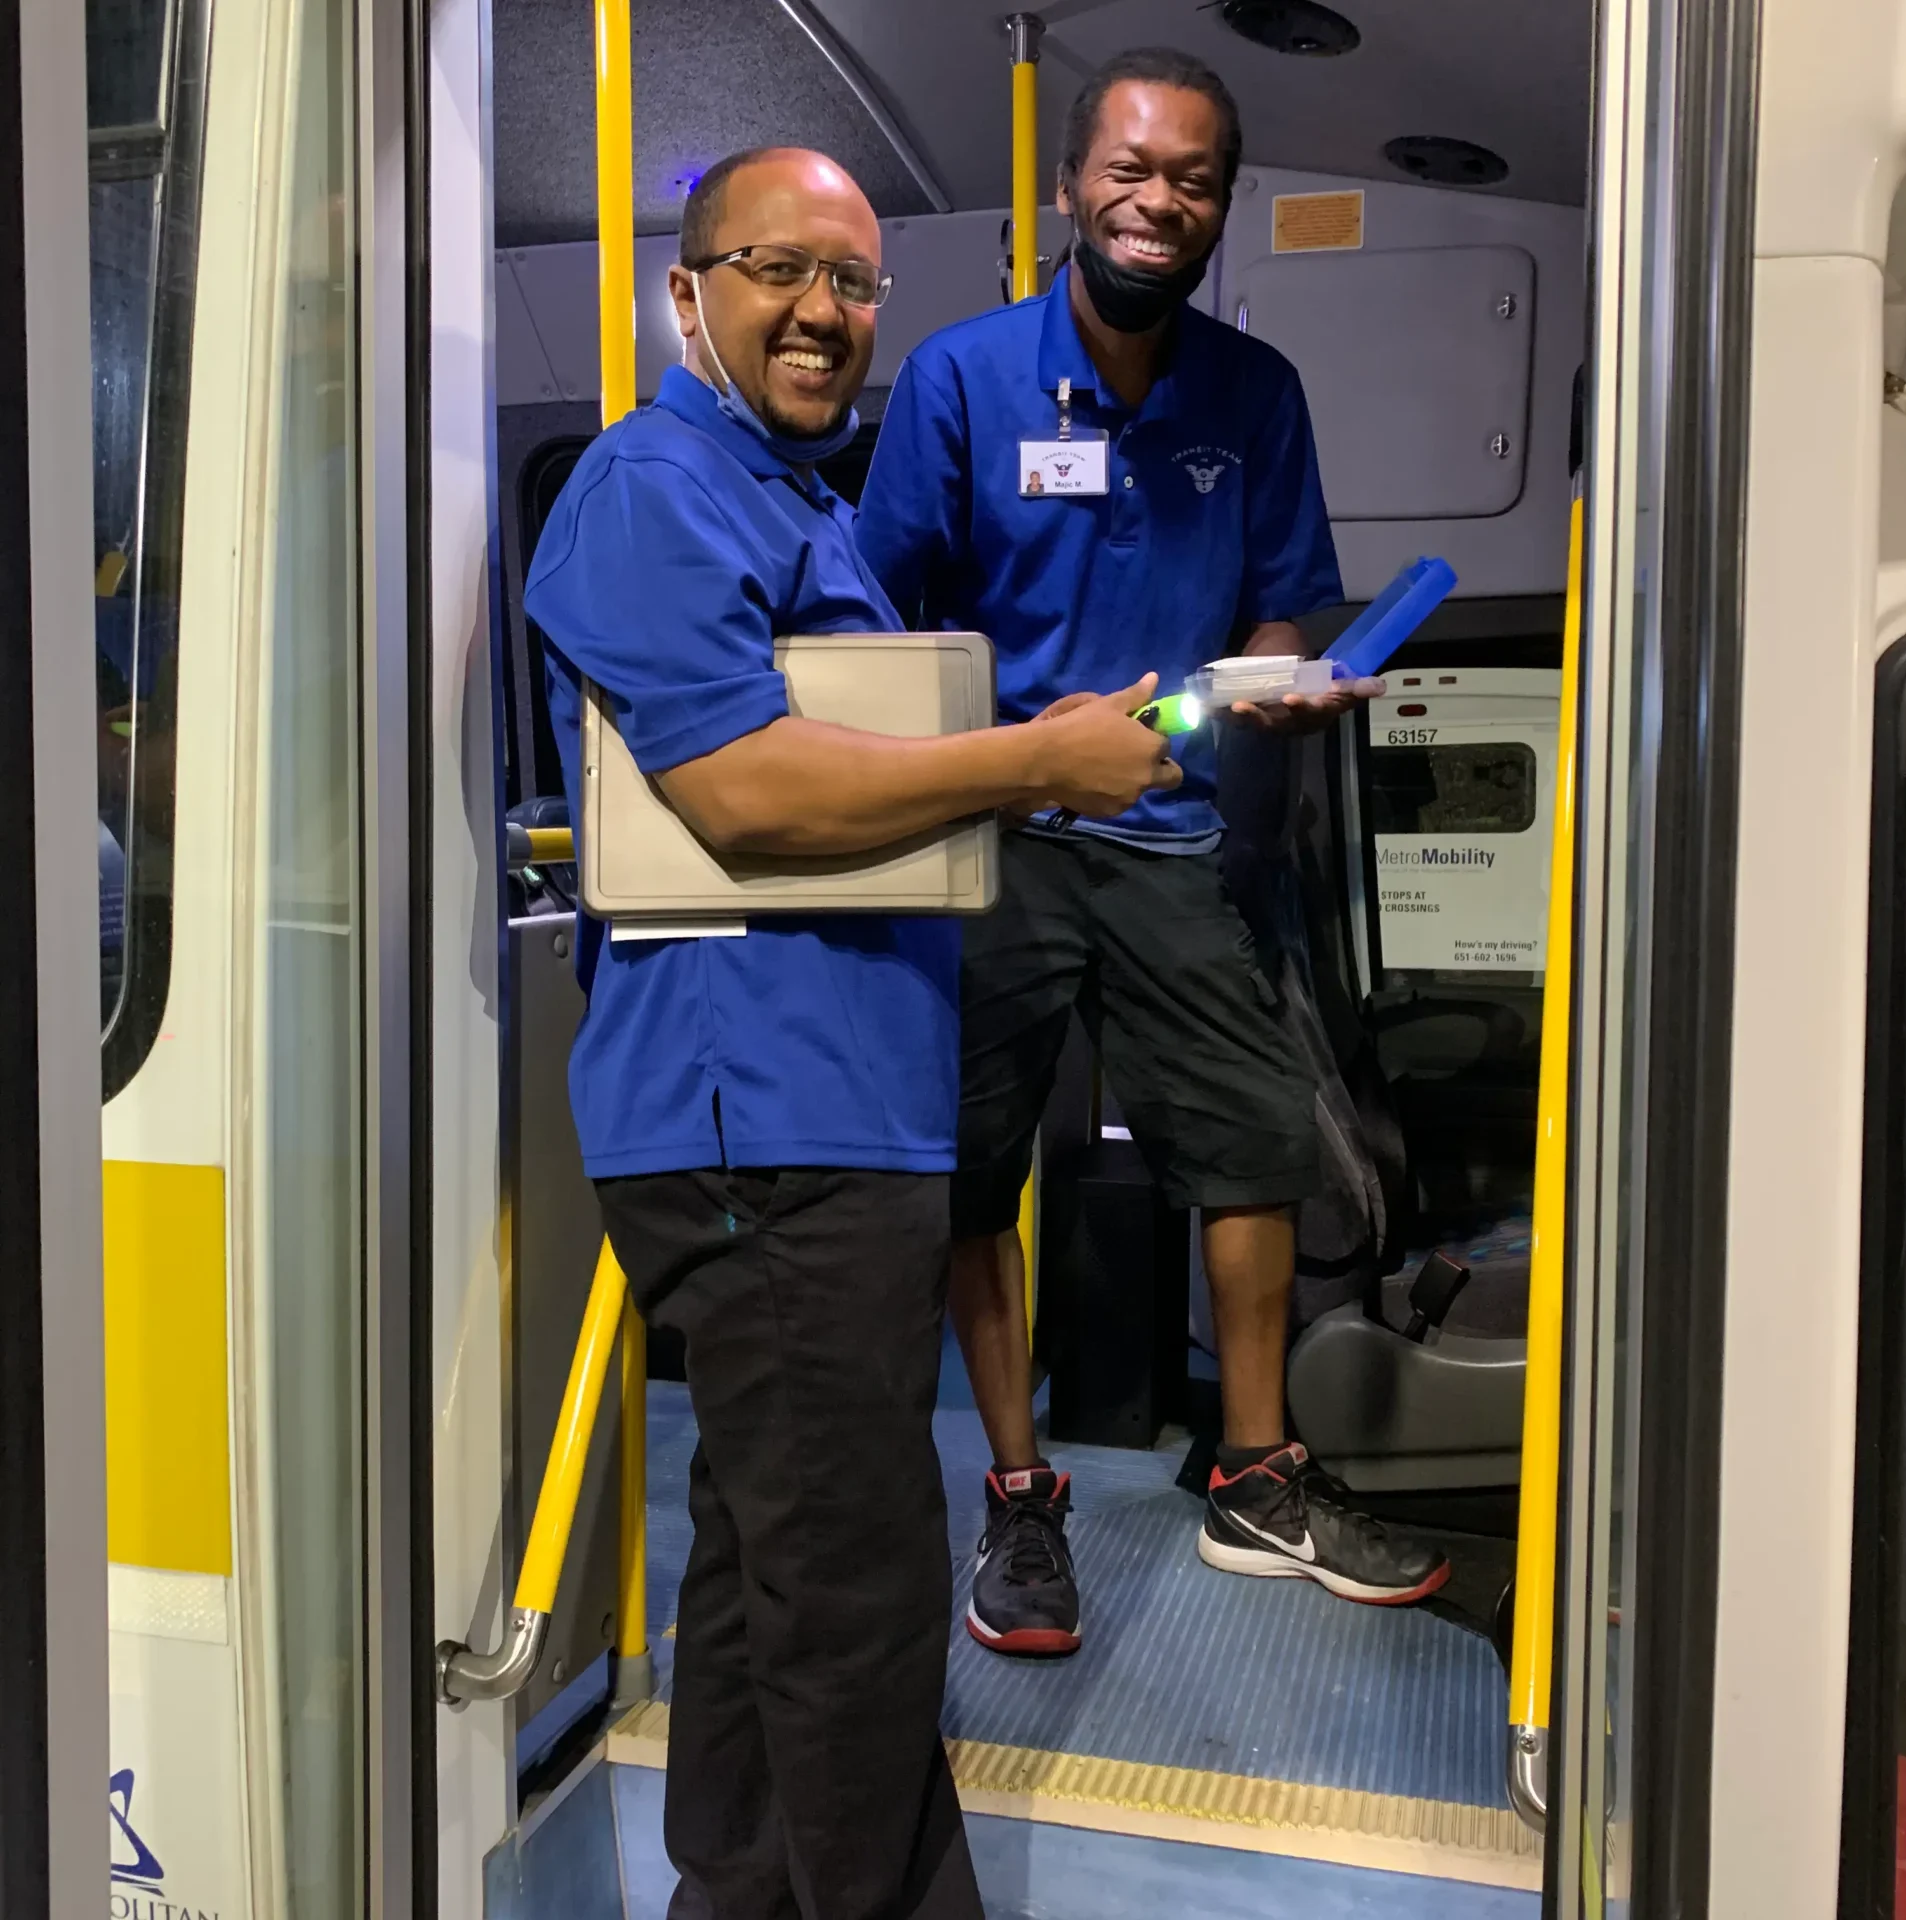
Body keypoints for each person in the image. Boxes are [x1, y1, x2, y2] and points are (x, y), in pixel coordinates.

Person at [523, 146, 1177, 1920]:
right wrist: (1031, 759)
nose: (827, 312)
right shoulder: (653, 489)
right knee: (859, 1595)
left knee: (762, 1577)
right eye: (780, 269)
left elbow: (876, 784)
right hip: (761, 1125)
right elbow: (744, 789)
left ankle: (731, 1899)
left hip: (838, 1120)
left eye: (859, 285)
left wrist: (1033, 755)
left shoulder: (800, 505)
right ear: (689, 291)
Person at [855, 48, 1451, 1659]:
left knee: (1254, 1143)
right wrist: (964, 763)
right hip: (995, 829)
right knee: (976, 1167)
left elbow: (1279, 594)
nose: (1155, 199)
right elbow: (883, 609)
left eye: (1190, 177)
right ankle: (1019, 1486)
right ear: (1071, 187)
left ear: (1220, 207)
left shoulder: (1254, 396)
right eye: (1129, 168)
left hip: (1176, 827)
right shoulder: (964, 380)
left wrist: (1274, 679)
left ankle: (1257, 1473)